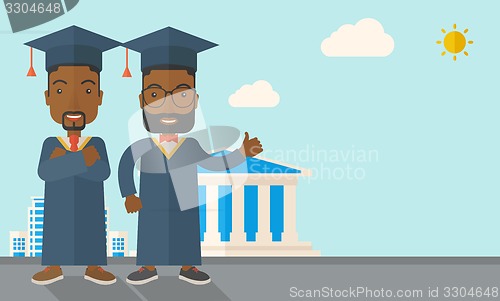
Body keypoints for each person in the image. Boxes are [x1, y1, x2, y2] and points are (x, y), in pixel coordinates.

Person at [119, 27, 263, 286]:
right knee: (151, 232)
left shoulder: (191, 146)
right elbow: (124, 165)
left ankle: (188, 266)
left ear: (195, 101)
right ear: (142, 101)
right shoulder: (143, 145)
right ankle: (148, 266)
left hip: (184, 202)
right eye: (155, 95)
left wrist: (242, 153)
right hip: (151, 203)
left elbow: (216, 163)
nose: (168, 105)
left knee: (185, 232)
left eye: (181, 95)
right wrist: (129, 194)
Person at [27, 26, 119, 286]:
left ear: (100, 97)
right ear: (47, 98)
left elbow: (103, 173)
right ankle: (53, 266)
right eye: (60, 91)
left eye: (88, 91)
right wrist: (82, 160)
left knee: (91, 229)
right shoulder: (51, 143)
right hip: (59, 205)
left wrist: (66, 162)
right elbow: (45, 172)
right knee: (56, 229)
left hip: (89, 203)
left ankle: (94, 266)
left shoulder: (96, 143)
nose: (74, 102)